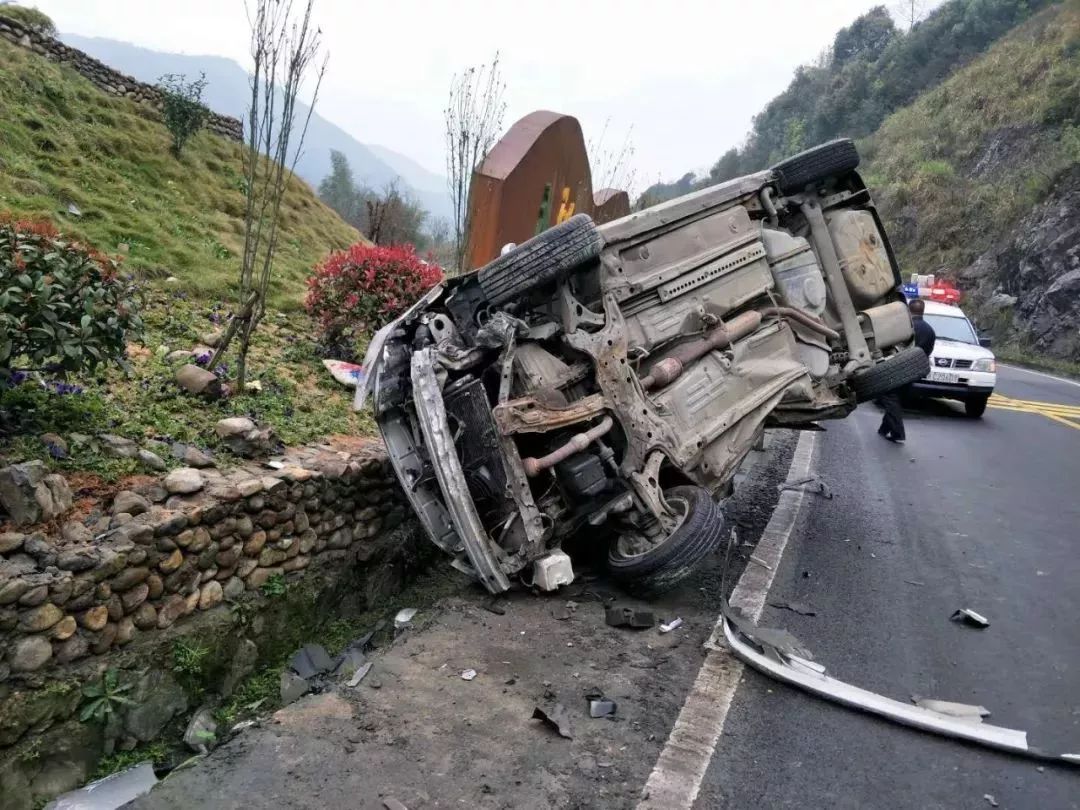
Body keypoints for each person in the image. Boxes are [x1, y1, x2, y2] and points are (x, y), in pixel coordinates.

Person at [878, 298, 936, 443]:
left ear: (908, 311)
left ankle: (898, 433)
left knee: (889, 396)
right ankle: (884, 429)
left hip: (899, 367)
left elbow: (892, 347)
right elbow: (928, 351)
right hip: (915, 370)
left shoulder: (905, 327)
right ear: (922, 311)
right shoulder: (930, 330)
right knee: (897, 398)